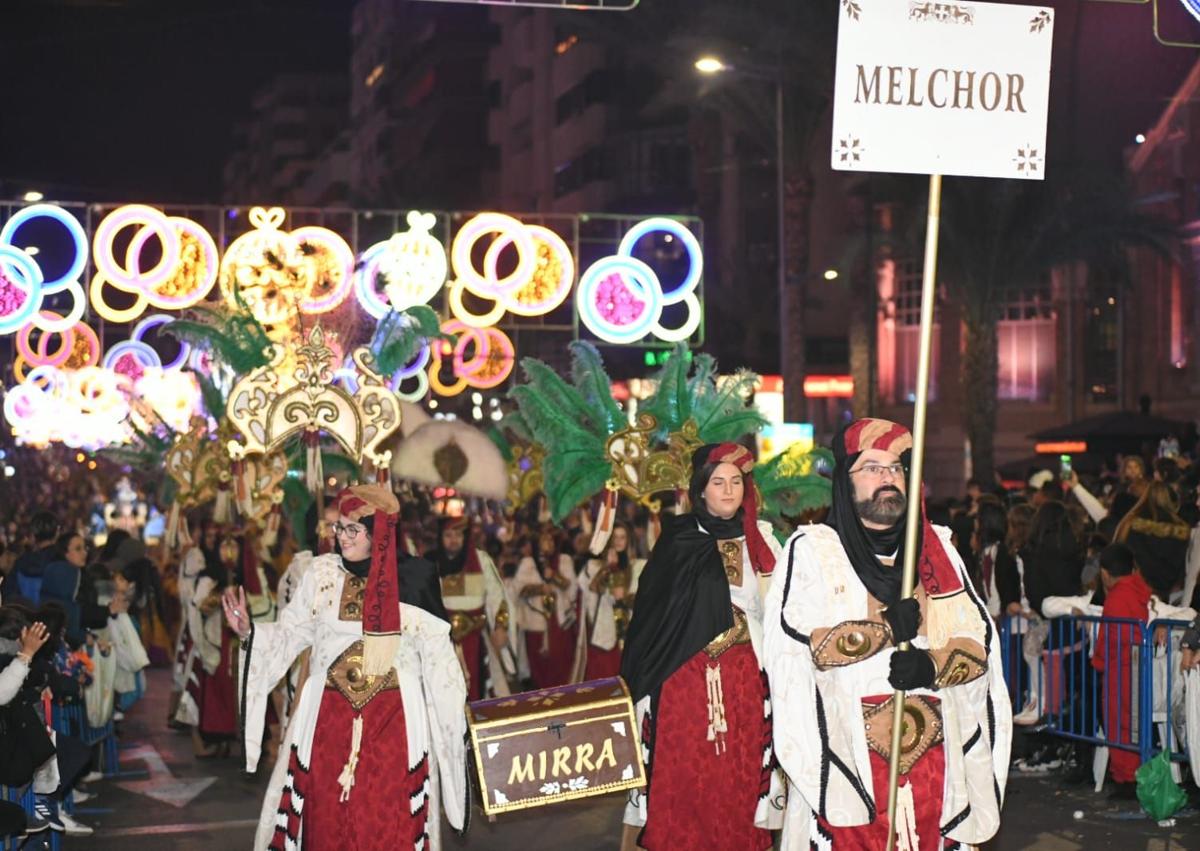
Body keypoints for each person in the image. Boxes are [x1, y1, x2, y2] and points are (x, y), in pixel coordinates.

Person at [764, 418, 1011, 850]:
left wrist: (930, 665)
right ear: (846, 480)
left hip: (938, 762)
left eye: (896, 468)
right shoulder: (814, 551)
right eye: (873, 468)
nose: (888, 479)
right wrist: (884, 629)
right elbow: (802, 645)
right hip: (848, 762)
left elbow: (978, 646)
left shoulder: (938, 552)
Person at [225, 484, 467, 851]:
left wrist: (453, 728)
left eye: (352, 529)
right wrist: (249, 631)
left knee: (387, 818)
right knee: (326, 818)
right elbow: (291, 633)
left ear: (378, 531)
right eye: (338, 528)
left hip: (395, 725)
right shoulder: (321, 574)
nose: (340, 537)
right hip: (327, 724)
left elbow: (439, 663)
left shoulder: (413, 579)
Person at [620, 443, 785, 851]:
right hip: (683, 682)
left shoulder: (763, 539)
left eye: (735, 482)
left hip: (747, 680)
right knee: (685, 775)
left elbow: (783, 606)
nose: (728, 491)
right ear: (701, 489)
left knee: (739, 773)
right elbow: (653, 618)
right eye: (718, 482)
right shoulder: (678, 540)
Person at [425, 515, 515, 700]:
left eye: (458, 535)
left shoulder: (481, 559)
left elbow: (497, 595)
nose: (453, 540)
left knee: (479, 692)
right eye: (448, 535)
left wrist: (500, 626)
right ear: (440, 538)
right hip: (441, 643)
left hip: (476, 641)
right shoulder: (430, 563)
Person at [1091, 543, 1151, 799]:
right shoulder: (1140, 591)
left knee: (1118, 722)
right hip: (1139, 664)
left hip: (1119, 668)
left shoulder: (1116, 597)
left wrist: (1099, 662)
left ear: (1105, 572)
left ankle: (1126, 778)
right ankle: (1132, 774)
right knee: (1134, 722)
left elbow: (1109, 637)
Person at [576, 521, 644, 681]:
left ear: (628, 541)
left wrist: (625, 598)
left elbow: (644, 599)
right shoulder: (595, 566)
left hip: (631, 635)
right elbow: (592, 588)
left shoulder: (638, 566)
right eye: (615, 537)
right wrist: (607, 566)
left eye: (623, 537)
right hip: (605, 634)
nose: (619, 541)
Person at [513, 529, 576, 689]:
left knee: (562, 663)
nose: (547, 544)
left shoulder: (564, 561)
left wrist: (553, 575)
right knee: (538, 667)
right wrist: (541, 588)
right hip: (536, 626)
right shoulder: (528, 563)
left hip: (560, 623)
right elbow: (518, 590)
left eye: (550, 540)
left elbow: (572, 588)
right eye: (543, 540)